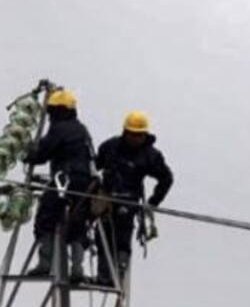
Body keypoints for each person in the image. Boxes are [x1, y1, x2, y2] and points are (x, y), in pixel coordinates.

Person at [92, 111, 174, 285]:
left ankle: (119, 272)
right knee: (102, 235)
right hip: (106, 199)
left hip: (128, 201)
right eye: (133, 134)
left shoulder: (150, 155)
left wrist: (153, 202)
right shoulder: (110, 147)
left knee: (122, 236)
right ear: (125, 132)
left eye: (140, 135)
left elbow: (166, 178)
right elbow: (93, 166)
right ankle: (103, 275)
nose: (136, 138)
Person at [23, 88, 94, 281]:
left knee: (46, 217)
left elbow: (42, 154)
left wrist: (27, 154)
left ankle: (45, 263)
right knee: (78, 223)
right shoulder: (82, 129)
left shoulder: (59, 129)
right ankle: (77, 269)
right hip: (85, 184)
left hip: (64, 181)